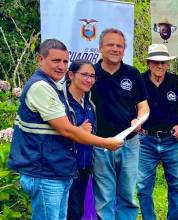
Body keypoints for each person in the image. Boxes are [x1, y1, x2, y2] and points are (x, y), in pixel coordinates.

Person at [7, 39, 122, 220]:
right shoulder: (41, 87)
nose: (61, 66)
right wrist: (106, 143)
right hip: (44, 172)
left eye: (64, 61)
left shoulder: (55, 88)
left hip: (59, 170)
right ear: (40, 59)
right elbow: (67, 131)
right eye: (55, 61)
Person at [91, 28, 150, 220]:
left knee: (127, 196)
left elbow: (144, 107)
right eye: (110, 45)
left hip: (129, 143)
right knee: (104, 197)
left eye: (120, 46)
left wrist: (139, 120)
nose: (115, 49)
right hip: (100, 144)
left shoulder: (133, 74)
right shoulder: (91, 74)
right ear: (100, 47)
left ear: (124, 50)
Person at [136, 44, 178, 220]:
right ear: (148, 63)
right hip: (145, 140)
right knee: (144, 186)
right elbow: (131, 107)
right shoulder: (140, 81)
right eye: (155, 62)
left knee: (177, 184)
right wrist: (134, 122)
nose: (159, 66)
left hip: (172, 140)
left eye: (163, 63)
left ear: (167, 64)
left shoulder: (175, 81)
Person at [62, 59, 97, 220]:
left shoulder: (89, 103)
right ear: (70, 74)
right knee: (70, 213)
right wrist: (79, 132)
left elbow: (92, 134)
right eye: (84, 75)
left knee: (80, 212)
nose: (89, 79)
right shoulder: (62, 103)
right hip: (67, 169)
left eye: (92, 76)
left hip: (85, 167)